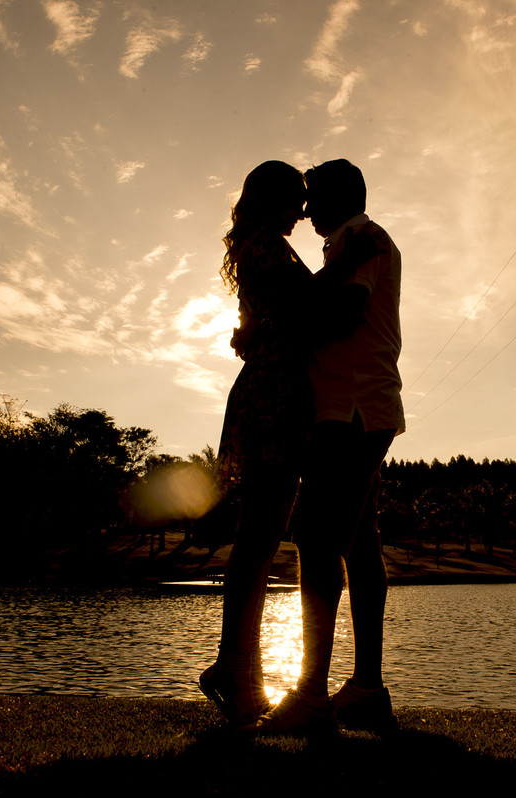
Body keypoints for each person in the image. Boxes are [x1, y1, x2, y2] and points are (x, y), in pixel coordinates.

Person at [254, 158, 405, 736]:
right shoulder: (350, 243)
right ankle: (366, 691)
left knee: (317, 540)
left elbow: (343, 315)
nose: (306, 208)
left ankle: (312, 695)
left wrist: (282, 326)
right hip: (359, 408)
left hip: (351, 409)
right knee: (360, 547)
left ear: (341, 197)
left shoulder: (359, 238)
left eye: (313, 196)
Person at [199, 160, 313, 728]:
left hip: (276, 391)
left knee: (262, 540)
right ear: (273, 200)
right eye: (296, 200)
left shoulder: (263, 246)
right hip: (273, 397)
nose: (303, 212)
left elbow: (258, 326)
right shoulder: (266, 246)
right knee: (258, 539)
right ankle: (233, 668)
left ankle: (242, 673)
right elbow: (305, 310)